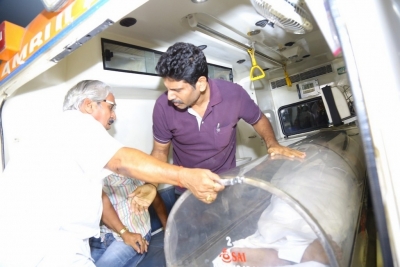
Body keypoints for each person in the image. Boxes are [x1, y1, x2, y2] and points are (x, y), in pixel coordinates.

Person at [0, 80, 224, 267]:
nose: (114, 115)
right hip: (47, 243)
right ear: (89, 105)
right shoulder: (78, 124)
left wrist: (126, 232)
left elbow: (99, 199)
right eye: (111, 106)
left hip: (27, 242)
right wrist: (185, 176)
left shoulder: (53, 132)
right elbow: (122, 160)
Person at [151, 42, 305, 198]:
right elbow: (159, 151)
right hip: (187, 190)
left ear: (201, 84)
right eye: (167, 89)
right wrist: (151, 184)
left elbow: (259, 120)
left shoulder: (234, 94)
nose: (170, 96)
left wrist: (273, 144)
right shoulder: (163, 107)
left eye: (177, 90)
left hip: (226, 184)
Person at [89, 173, 153, 267]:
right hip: (100, 234)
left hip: (133, 232)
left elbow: (151, 190)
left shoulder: (129, 163)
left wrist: (167, 227)